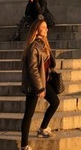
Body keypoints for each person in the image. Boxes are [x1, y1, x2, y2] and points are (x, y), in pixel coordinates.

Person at [20, 18, 60, 150]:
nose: (47, 29)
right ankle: (24, 145)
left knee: (55, 102)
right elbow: (33, 70)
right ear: (37, 30)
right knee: (28, 114)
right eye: (44, 27)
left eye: (46, 27)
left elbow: (48, 64)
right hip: (34, 84)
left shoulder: (43, 44)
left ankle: (43, 127)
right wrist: (39, 88)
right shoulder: (33, 47)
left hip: (44, 81)